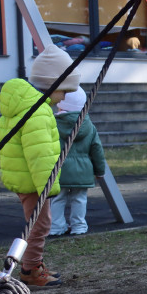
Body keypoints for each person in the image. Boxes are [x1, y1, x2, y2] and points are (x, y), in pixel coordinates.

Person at [0, 44, 78, 288]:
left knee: (37, 223)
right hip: (35, 180)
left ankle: (34, 265)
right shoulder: (38, 112)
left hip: (23, 175)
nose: (64, 97)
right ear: (51, 85)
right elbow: (40, 155)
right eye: (64, 90)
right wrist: (48, 187)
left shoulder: (22, 104)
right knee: (40, 224)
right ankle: (30, 270)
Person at [49, 87, 106, 237]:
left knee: (57, 199)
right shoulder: (88, 126)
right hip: (83, 170)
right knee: (79, 199)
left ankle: (56, 226)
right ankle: (79, 225)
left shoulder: (52, 124)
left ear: (61, 105)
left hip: (59, 170)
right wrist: (100, 171)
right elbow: (97, 149)